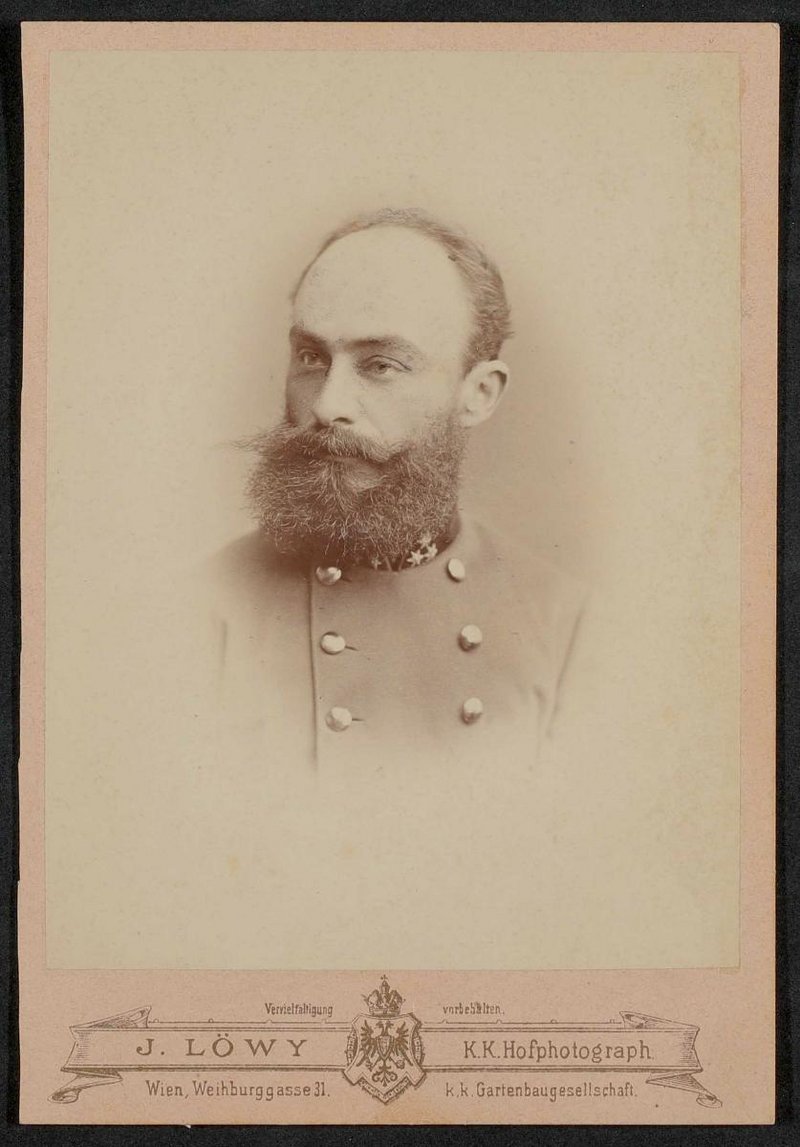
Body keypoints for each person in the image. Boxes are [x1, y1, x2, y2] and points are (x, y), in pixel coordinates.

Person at [207, 208, 585, 775]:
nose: (328, 405)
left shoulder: (566, 630)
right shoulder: (199, 615)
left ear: (478, 394)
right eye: (310, 357)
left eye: (381, 365)